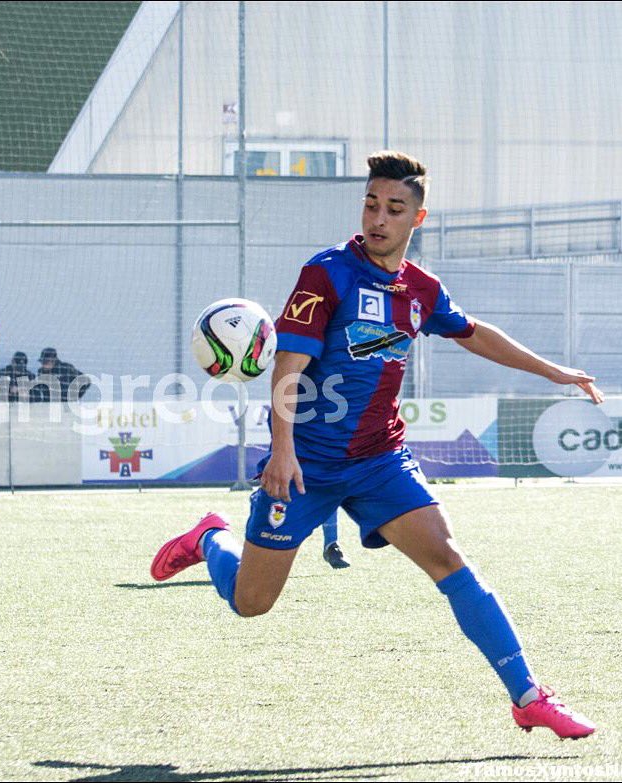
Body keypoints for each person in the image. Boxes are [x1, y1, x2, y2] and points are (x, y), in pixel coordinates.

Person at [151, 151, 603, 739]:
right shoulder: (328, 272)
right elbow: (288, 363)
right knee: (251, 602)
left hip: (380, 461)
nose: (378, 218)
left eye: (394, 208)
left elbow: (472, 332)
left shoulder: (421, 289)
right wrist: (281, 449)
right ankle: (209, 537)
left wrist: (553, 372)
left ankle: (529, 695)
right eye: (371, 204)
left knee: (450, 560)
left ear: (418, 218)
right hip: (306, 465)